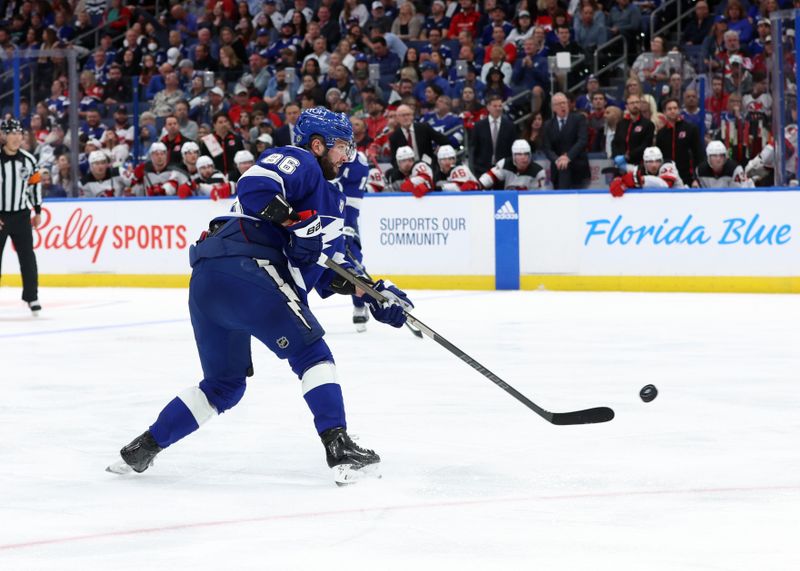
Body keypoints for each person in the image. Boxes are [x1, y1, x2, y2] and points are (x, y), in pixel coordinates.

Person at [108, 108, 413, 485]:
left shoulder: (327, 202)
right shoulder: (301, 160)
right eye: (339, 148)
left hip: (208, 282)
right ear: (317, 145)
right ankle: (339, 447)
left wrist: (373, 293)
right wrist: (296, 224)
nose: (344, 157)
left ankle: (144, 448)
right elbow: (254, 188)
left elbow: (325, 273)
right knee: (311, 353)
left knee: (224, 385)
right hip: (248, 269)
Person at [0, 119, 42, 315]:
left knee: (28, 257)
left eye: (19, 133)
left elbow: (35, 187)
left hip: (21, 215)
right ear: (4, 136)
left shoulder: (29, 160)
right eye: (12, 133)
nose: (17, 138)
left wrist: (38, 211)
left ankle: (32, 297)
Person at [541, 92, 590, 189]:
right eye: (559, 104)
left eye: (564, 102)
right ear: (553, 108)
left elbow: (582, 140)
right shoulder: (548, 125)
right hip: (558, 170)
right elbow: (546, 147)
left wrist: (568, 157)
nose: (563, 105)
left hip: (578, 168)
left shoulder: (579, 119)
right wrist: (557, 160)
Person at [656, 98, 704, 184]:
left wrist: (696, 178)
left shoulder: (690, 129)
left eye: (675, 108)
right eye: (669, 109)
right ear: (664, 112)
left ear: (679, 110)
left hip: (688, 177)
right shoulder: (661, 133)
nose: (672, 111)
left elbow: (698, 154)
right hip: (667, 176)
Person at [470, 95, 518, 177]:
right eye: (495, 106)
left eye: (500, 106)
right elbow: (474, 148)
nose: (498, 108)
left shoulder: (510, 126)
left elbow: (512, 148)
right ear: (488, 107)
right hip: (482, 170)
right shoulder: (479, 126)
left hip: (503, 170)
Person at [609, 146, 685, 197]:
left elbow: (665, 185)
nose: (654, 165)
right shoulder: (639, 169)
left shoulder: (668, 165)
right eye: (650, 161)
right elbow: (629, 178)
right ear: (644, 162)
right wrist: (621, 183)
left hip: (681, 199)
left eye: (657, 161)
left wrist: (641, 179)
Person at [480, 139, 547, 190]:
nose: (523, 157)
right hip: (507, 200)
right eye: (519, 154)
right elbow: (490, 177)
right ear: (513, 156)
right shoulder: (504, 164)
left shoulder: (538, 172)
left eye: (526, 154)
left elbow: (541, 194)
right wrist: (479, 185)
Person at [612, 93, 655, 167]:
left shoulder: (648, 124)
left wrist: (627, 157)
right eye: (632, 103)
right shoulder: (621, 123)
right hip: (621, 164)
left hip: (639, 164)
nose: (635, 105)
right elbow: (615, 142)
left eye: (637, 102)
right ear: (627, 106)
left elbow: (645, 145)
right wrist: (616, 156)